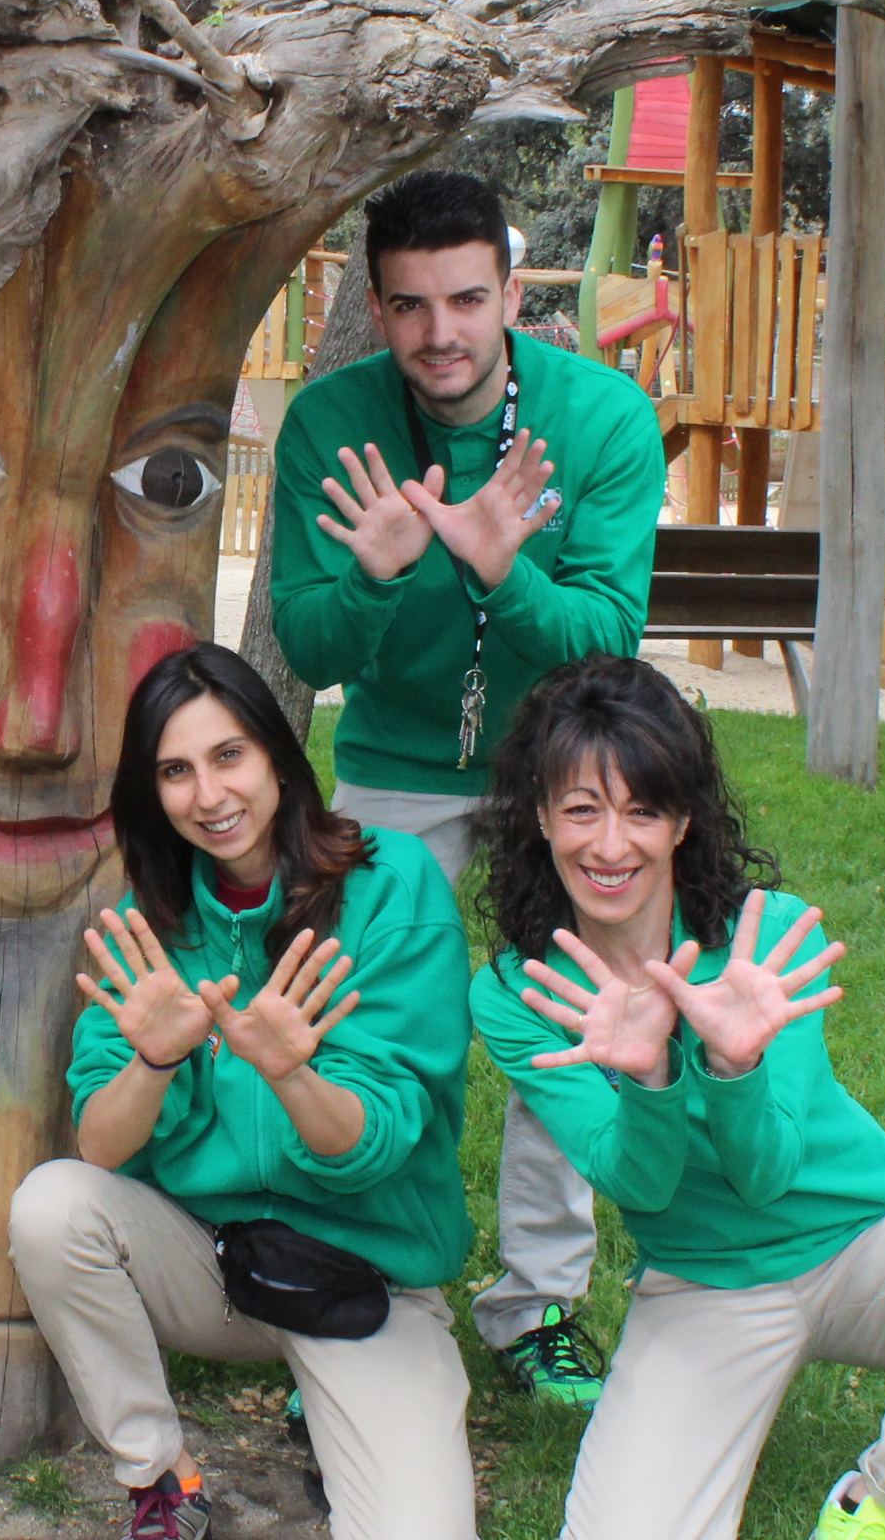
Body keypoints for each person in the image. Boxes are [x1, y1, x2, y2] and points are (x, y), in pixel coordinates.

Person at [468, 658, 885, 1540]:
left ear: (682, 821)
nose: (610, 844)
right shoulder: (518, 994)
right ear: (538, 817)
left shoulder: (764, 941)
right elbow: (642, 1185)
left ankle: (878, 1502)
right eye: (581, 810)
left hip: (859, 1237)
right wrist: (654, 1075)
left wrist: (735, 1059)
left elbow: (768, 1172)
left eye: (640, 812)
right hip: (708, 1278)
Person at [267, 167, 664, 1412]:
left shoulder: (599, 420)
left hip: (564, 774)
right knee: (375, 1029)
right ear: (376, 307)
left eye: (467, 299)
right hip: (392, 768)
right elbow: (310, 644)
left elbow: (607, 644)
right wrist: (381, 578)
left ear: (509, 289)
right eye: (410, 306)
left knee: (571, 1025)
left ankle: (538, 1304)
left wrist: (501, 570)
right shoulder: (331, 424)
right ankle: (371, 1289)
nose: (441, 334)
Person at [9, 645, 480, 1540]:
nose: (208, 794)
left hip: (364, 1276)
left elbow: (380, 1140)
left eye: (229, 757)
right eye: (175, 771)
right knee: (53, 1207)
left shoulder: (394, 887)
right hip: (218, 1264)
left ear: (277, 755)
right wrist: (156, 1060)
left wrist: (291, 1071)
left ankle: (340, 1405)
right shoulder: (149, 921)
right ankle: (161, 1485)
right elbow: (100, 1148)